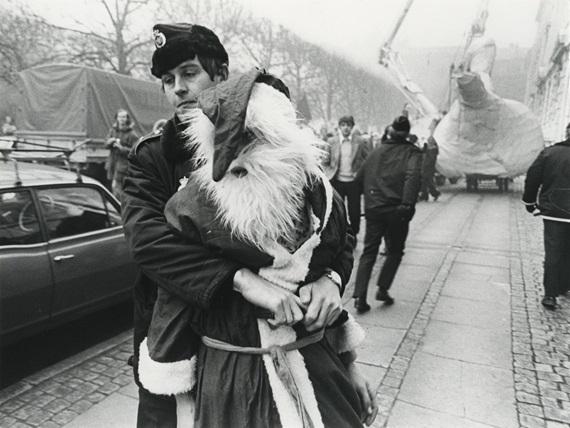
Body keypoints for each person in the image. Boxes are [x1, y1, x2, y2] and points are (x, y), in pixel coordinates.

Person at [121, 23, 374, 427]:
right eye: (168, 80)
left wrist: (332, 281)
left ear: (222, 75)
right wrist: (241, 280)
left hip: (291, 349)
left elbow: (332, 234)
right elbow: (149, 244)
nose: (179, 89)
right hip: (180, 349)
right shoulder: (153, 159)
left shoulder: (274, 147)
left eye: (189, 73)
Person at [352, 116, 423, 313]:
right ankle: (383, 288)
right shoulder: (412, 152)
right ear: (407, 133)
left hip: (374, 209)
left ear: (391, 131)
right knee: (395, 251)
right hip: (397, 210)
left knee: (369, 251)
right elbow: (413, 176)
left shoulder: (377, 151)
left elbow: (359, 179)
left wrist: (368, 199)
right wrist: (407, 204)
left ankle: (359, 296)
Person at [522, 122, 570, 310]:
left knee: (554, 252)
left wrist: (530, 202)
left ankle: (550, 294)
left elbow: (533, 177)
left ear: (567, 132)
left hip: (554, 211)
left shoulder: (549, 153)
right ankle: (564, 284)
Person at [323, 115, 369, 235]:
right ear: (339, 127)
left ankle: (354, 234)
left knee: (354, 212)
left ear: (352, 127)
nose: (346, 128)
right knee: (338, 211)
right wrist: (329, 174)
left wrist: (360, 173)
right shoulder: (332, 142)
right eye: (343, 125)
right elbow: (325, 161)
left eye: (348, 125)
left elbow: (367, 159)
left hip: (354, 182)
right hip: (337, 181)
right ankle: (340, 234)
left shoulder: (360, 141)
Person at [105, 109, 138, 199]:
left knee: (117, 188)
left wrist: (122, 148)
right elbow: (105, 145)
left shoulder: (131, 134)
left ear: (127, 119)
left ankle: (118, 204)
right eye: (120, 117)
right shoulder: (113, 130)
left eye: (124, 117)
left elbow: (135, 151)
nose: (121, 119)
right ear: (117, 118)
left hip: (123, 165)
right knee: (112, 187)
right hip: (112, 162)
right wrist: (109, 142)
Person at [418, 134, 441, 202]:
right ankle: (426, 195)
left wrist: (426, 164)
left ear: (433, 141)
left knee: (428, 181)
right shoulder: (427, 147)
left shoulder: (434, 149)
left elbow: (431, 159)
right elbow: (421, 152)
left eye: (430, 140)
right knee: (425, 181)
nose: (429, 141)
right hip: (425, 166)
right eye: (429, 139)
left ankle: (433, 194)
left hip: (429, 167)